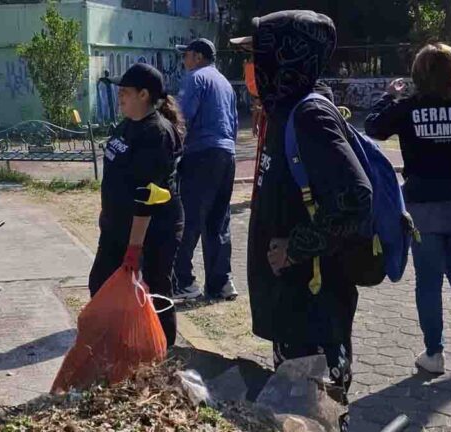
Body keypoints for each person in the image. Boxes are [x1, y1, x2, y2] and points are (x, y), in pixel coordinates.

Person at [245, 11, 373, 431]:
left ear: (284, 59)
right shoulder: (281, 111)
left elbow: (355, 198)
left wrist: (294, 247)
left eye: (256, 56)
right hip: (293, 302)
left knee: (318, 412)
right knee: (297, 413)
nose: (250, 67)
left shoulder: (309, 116)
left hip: (315, 304)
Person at [365, 43, 451, 374]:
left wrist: (388, 96)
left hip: (423, 203)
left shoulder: (409, 108)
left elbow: (373, 127)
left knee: (428, 281)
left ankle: (434, 354)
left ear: (418, 73)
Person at [88, 63, 185, 347]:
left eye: (125, 91)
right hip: (118, 228)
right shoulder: (127, 125)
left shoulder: (157, 133)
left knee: (154, 290)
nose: (120, 96)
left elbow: (148, 195)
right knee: (100, 285)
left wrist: (134, 248)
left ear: (144, 94)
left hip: (153, 232)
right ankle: (123, 346)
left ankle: (163, 350)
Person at [172, 38, 239, 301]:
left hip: (201, 154)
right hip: (227, 155)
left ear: (198, 57)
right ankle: (221, 283)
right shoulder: (224, 83)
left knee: (189, 219)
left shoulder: (195, 78)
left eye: (186, 55)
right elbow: (233, 123)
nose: (184, 61)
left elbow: (181, 117)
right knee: (218, 220)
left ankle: (183, 281)